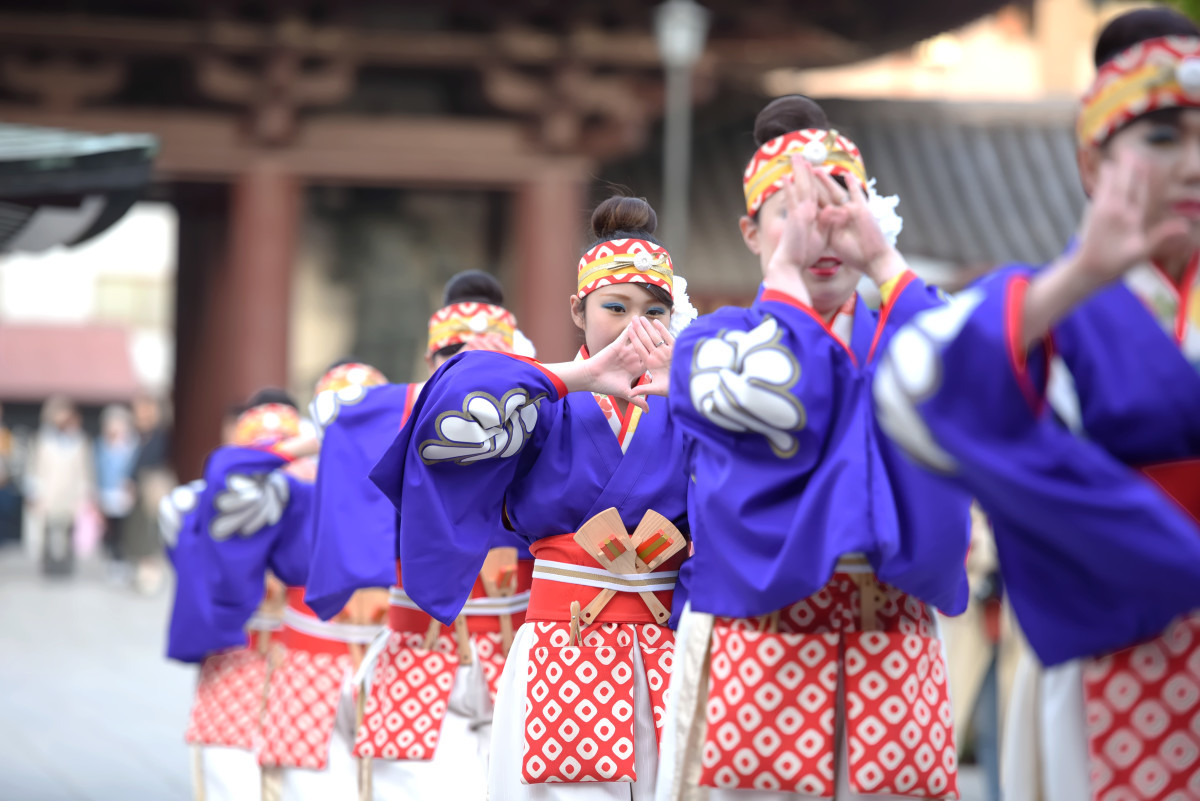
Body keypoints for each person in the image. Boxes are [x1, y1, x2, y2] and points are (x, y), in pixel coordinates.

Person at [871, 9, 1200, 801]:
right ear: (1093, 163)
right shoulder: (1055, 307)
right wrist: (1076, 278)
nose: (1193, 165)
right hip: (1112, 645)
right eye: (1161, 139)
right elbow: (910, 385)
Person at [637, 96, 971, 800]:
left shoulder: (914, 327)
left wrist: (883, 258)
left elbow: (976, 386)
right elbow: (790, 389)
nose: (818, 230)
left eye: (837, 204)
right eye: (791, 209)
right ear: (750, 232)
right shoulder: (711, 342)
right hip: (754, 645)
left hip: (892, 636)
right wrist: (785, 286)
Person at [370, 197, 697, 799]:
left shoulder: (688, 406)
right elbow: (449, 405)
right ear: (578, 309)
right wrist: (573, 377)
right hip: (561, 641)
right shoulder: (544, 403)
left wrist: (696, 385)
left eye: (655, 311)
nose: (635, 326)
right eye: (614, 307)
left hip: (663, 649)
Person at [304, 272, 541, 799]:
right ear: (433, 361)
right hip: (439, 649)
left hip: (509, 652)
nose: (466, 369)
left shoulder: (540, 411)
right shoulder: (413, 411)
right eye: (456, 356)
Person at [163, 391, 310, 801]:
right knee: (231, 782)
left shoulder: (314, 503)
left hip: (300, 665)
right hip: (238, 661)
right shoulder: (198, 505)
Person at [26, 396, 94, 576]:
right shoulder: (42, 440)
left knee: (68, 533)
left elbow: (84, 471)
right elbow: (34, 468)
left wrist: (83, 496)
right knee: (47, 533)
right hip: (48, 495)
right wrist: (34, 491)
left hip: (70, 496)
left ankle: (66, 567)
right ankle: (48, 566)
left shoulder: (79, 441)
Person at [131, 395, 174, 594]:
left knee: (151, 533)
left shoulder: (159, 436)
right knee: (141, 534)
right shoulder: (141, 436)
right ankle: (144, 573)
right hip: (141, 491)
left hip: (153, 489)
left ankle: (151, 576)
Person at [95, 404, 139, 579]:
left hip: (125, 493)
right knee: (110, 529)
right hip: (107, 493)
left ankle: (125, 560)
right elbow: (97, 468)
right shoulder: (101, 444)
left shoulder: (132, 444)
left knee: (125, 529)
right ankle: (113, 560)